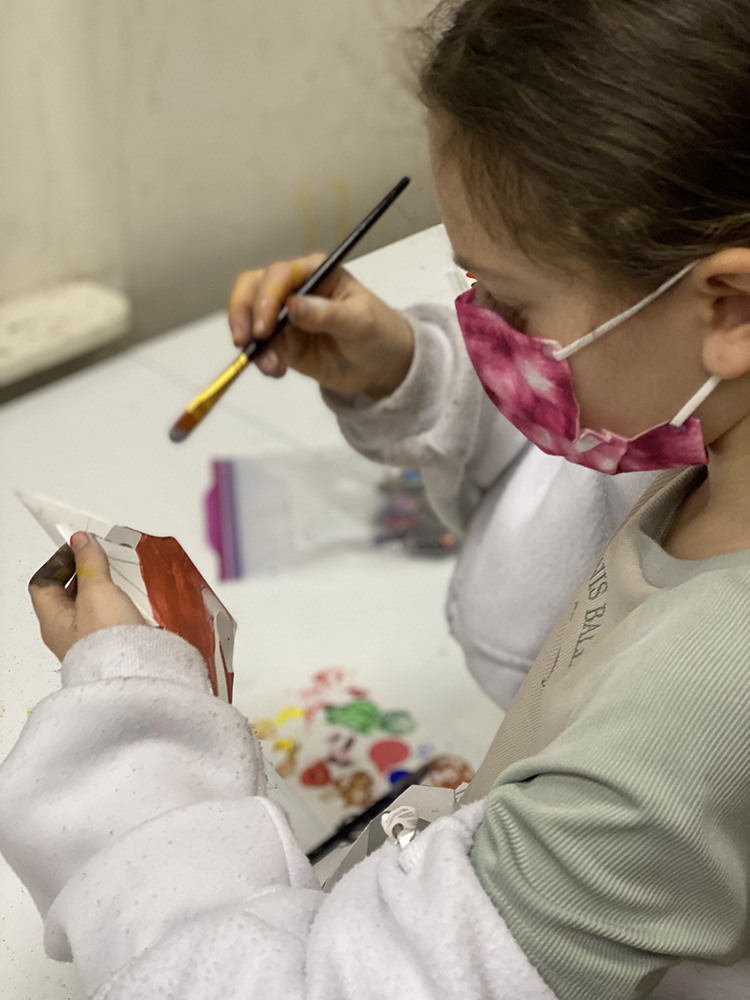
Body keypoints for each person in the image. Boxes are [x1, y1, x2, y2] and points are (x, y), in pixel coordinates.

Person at [2, 1, 750, 997]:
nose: (484, 329)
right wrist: (410, 372)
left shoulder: (686, 720)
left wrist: (131, 732)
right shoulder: (713, 433)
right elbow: (587, 477)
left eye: (514, 307)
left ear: (730, 309)